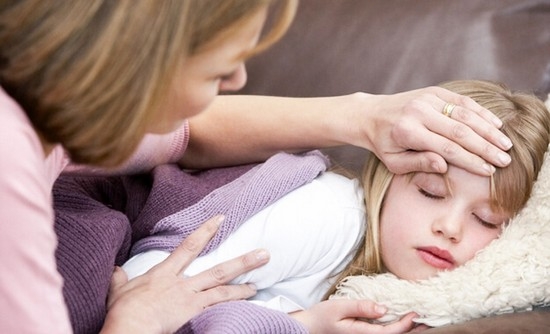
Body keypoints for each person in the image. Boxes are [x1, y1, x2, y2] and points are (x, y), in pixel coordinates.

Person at [0, 0, 514, 332]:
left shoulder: (59, 128)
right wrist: (132, 323)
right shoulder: (11, 161)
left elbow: (187, 136)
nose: (242, 79)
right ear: (142, 56)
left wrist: (365, 116)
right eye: (221, 68)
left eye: (489, 221)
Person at [121, 80, 550, 333]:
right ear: (388, 175)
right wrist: (301, 325)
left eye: (487, 220)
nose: (450, 227)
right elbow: (146, 291)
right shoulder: (329, 214)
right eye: (430, 192)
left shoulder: (411, 291)